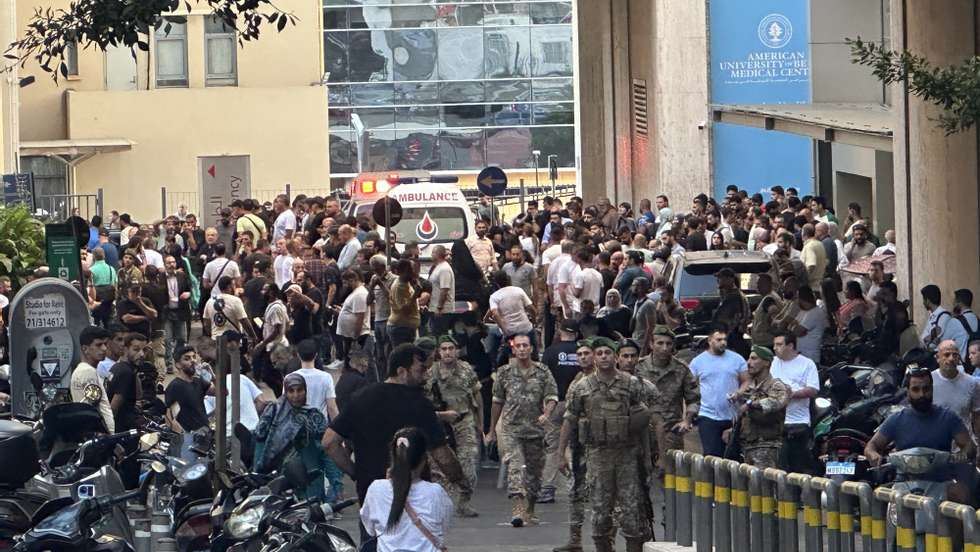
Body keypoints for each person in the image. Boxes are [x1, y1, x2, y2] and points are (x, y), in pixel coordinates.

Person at [323, 344, 467, 546]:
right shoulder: (421, 405)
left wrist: (357, 473)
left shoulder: (361, 398)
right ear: (401, 371)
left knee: (373, 542)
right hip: (417, 499)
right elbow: (442, 455)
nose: (425, 375)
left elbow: (330, 442)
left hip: (372, 495)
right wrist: (460, 479)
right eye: (420, 370)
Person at [558, 336, 651, 552]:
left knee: (631, 512)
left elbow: (642, 422)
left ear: (616, 356)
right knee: (600, 512)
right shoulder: (582, 387)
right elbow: (569, 418)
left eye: (607, 353)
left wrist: (647, 456)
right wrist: (560, 453)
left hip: (627, 455)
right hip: (598, 456)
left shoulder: (631, 384)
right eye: (599, 353)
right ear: (594, 358)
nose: (603, 357)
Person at [865, 368, 976, 505]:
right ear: (908, 391)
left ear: (932, 390)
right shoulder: (897, 419)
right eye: (916, 389)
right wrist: (873, 455)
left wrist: (962, 455)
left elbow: (969, 446)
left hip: (940, 483)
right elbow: (872, 445)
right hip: (904, 484)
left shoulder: (948, 418)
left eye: (926, 389)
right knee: (876, 500)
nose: (922, 394)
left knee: (961, 495)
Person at [486, 333, 558, 527]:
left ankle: (530, 508)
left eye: (525, 345)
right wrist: (492, 430)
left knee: (534, 475)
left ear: (531, 349)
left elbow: (552, 395)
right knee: (515, 467)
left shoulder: (543, 372)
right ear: (513, 349)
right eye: (518, 346)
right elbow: (497, 402)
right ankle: (517, 507)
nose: (522, 349)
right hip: (512, 429)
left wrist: (547, 412)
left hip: (535, 429)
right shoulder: (504, 373)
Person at [360, 428, 455, 552]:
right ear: (424, 460)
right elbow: (445, 526)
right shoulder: (436, 492)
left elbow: (370, 529)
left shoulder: (376, 489)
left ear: (393, 457)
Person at [427, 335, 483, 517]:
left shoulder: (466, 370)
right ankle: (442, 504)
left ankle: (464, 502)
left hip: (463, 420)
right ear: (438, 352)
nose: (448, 352)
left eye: (451, 348)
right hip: (439, 424)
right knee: (439, 467)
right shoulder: (430, 373)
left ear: (457, 351)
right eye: (443, 349)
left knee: (468, 464)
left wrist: (481, 424)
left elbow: (477, 397)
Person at [253, 372, 329, 500]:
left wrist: (336, 484)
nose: (296, 395)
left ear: (306, 391)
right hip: (277, 479)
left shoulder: (314, 417)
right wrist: (257, 475)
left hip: (309, 479)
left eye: (300, 390)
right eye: (291, 391)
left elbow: (326, 451)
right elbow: (260, 442)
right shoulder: (273, 411)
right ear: (285, 392)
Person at [552, 338, 596, 552]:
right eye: (580, 354)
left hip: (603, 447)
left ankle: (605, 542)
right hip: (580, 446)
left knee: (603, 496)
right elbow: (569, 418)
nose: (583, 357)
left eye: (587, 353)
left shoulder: (609, 380)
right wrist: (561, 453)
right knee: (576, 494)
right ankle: (575, 539)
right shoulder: (577, 381)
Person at [637, 326, 700, 477]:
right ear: (651, 344)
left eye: (668, 344)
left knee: (671, 478)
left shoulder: (681, 369)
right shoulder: (638, 367)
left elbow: (694, 399)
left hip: (670, 432)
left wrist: (687, 420)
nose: (664, 348)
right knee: (640, 479)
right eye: (660, 343)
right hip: (642, 432)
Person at [689, 328, 748, 457]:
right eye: (719, 340)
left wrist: (738, 393)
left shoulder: (737, 359)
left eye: (725, 340)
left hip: (732, 416)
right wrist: (688, 415)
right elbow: (689, 388)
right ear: (710, 341)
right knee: (711, 456)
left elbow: (746, 381)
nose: (723, 343)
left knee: (733, 457)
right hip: (708, 415)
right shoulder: (698, 362)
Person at [730, 346, 792, 468]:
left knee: (764, 485)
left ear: (767, 363)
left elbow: (776, 403)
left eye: (754, 359)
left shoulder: (776, 386)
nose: (749, 362)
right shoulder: (749, 388)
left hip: (767, 446)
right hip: (747, 446)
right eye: (748, 359)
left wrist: (750, 404)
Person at [770, 332, 819, 473]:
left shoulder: (806, 364)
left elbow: (813, 389)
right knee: (779, 464)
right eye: (774, 344)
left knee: (798, 464)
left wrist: (791, 394)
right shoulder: (772, 362)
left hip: (798, 422)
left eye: (779, 344)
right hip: (775, 421)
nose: (775, 348)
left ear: (790, 346)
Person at [930, 340, 980, 443]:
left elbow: (977, 417)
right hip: (937, 446)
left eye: (955, 355)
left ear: (959, 359)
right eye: (946, 355)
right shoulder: (928, 381)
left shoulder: (972, 383)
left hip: (964, 449)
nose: (951, 358)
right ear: (937, 358)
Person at [71, 326, 115, 432]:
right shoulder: (87, 371)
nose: (104, 348)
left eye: (105, 344)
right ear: (85, 349)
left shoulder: (86, 370)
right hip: (99, 435)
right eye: (99, 345)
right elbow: (92, 407)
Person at [488, 270, 536, 366]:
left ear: (496, 283)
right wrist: (534, 321)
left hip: (510, 332)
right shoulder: (518, 290)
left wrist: (504, 329)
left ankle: (495, 366)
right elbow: (531, 308)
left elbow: (495, 314)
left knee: (501, 351)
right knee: (534, 353)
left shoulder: (494, 296)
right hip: (526, 328)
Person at [164, 345, 213, 433]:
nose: (193, 361)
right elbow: (169, 419)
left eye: (194, 357)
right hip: (191, 437)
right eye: (187, 359)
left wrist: (212, 375)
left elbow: (223, 393)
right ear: (178, 365)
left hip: (205, 433)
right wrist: (186, 437)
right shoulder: (175, 386)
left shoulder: (199, 381)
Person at [162, 255, 192, 373]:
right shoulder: (161, 277)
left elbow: (189, 289)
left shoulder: (182, 275)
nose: (171, 265)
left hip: (181, 311)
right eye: (168, 263)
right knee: (168, 339)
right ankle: (169, 364)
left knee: (182, 338)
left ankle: (180, 363)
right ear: (165, 265)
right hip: (167, 311)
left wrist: (188, 294)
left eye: (173, 262)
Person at [387, 259, 422, 348]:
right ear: (401, 272)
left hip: (407, 327)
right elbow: (404, 310)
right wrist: (415, 295)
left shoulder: (406, 283)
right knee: (403, 357)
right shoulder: (399, 287)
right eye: (410, 270)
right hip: (401, 328)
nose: (413, 272)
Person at [337, 269, 371, 358]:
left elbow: (360, 317)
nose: (344, 285)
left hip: (357, 336)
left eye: (345, 282)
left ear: (352, 280)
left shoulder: (360, 294)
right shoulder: (355, 292)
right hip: (350, 335)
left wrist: (355, 337)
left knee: (357, 363)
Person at [428, 245, 456, 335]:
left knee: (440, 335)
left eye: (433, 252)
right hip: (435, 308)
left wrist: (439, 307)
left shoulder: (444, 269)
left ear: (438, 254)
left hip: (443, 310)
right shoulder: (438, 267)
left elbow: (444, 289)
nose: (431, 254)